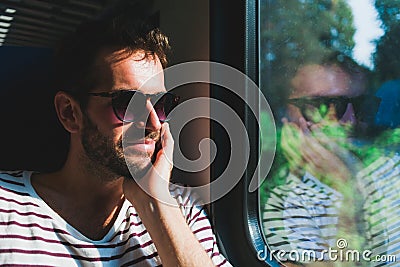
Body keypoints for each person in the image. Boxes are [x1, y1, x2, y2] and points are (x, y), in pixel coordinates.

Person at [0, 13, 231, 267]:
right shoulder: (6, 206)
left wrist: (155, 203)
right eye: (127, 103)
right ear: (70, 112)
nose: (154, 123)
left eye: (161, 104)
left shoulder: (182, 208)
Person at [262, 55, 400, 266]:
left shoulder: (390, 168)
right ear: (288, 117)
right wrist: (343, 185)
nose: (350, 120)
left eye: (361, 105)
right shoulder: (281, 199)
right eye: (326, 106)